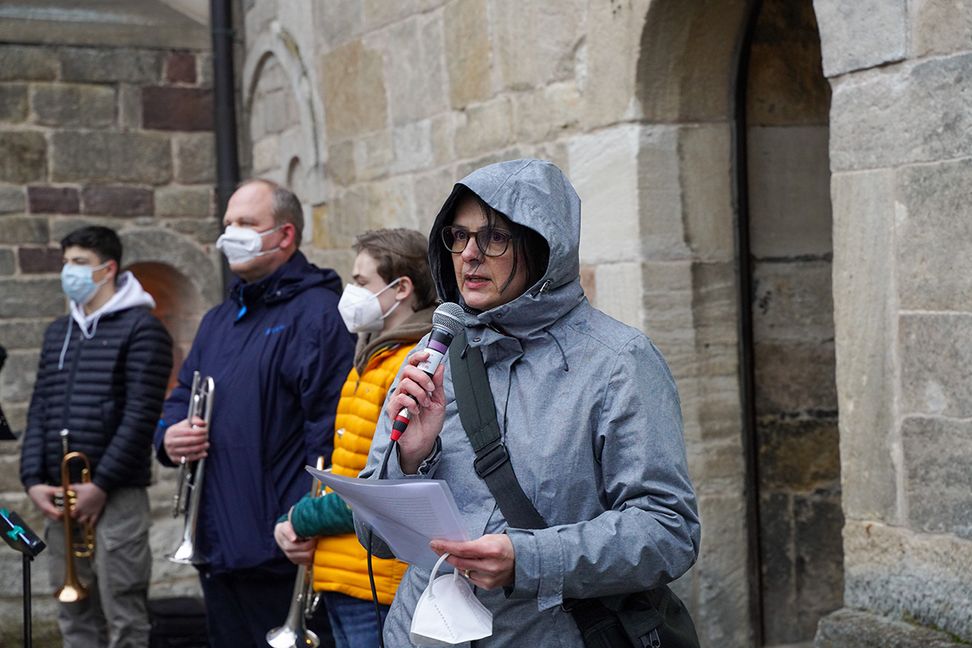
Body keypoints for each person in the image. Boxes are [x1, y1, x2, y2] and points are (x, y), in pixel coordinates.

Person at [357, 159, 701, 645]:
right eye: (458, 236)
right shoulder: (429, 355)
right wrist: (408, 459)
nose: (470, 256)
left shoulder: (618, 362)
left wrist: (530, 559)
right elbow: (373, 539)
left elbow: (669, 532)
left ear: (544, 248)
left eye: (494, 237)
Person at [154, 179, 355, 647]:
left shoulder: (320, 315)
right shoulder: (217, 320)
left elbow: (328, 435)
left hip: (280, 546)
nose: (231, 234)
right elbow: (184, 393)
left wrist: (308, 521)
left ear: (285, 235)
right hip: (216, 545)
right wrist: (167, 436)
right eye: (227, 224)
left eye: (246, 223)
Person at [274, 228, 438, 647]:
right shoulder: (372, 357)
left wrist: (300, 518)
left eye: (361, 282)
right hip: (346, 573)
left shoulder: (411, 362)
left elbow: (383, 489)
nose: (350, 293)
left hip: (379, 581)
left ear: (402, 288)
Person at [20, 225, 173, 648]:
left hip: (116, 492)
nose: (68, 271)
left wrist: (101, 485)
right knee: (73, 608)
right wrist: (32, 478)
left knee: (124, 609)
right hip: (60, 491)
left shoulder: (143, 329)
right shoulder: (58, 331)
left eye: (80, 263)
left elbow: (141, 416)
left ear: (108, 269)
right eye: (66, 262)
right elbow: (40, 408)